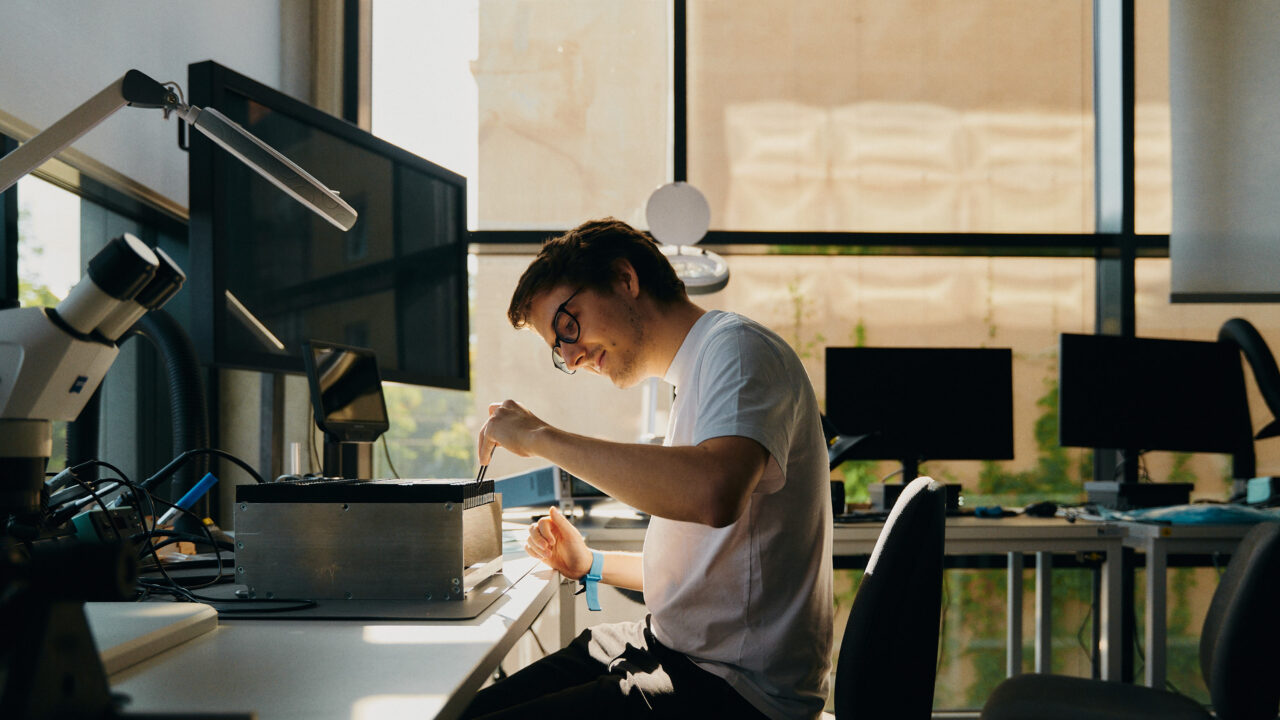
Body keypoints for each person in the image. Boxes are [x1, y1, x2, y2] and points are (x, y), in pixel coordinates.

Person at [464, 218, 833, 720]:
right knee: (464, 710)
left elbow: (713, 493)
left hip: (735, 691)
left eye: (567, 327)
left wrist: (538, 436)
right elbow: (705, 577)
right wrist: (590, 564)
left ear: (625, 279)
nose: (571, 358)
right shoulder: (697, 376)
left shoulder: (740, 351)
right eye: (557, 350)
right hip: (669, 648)